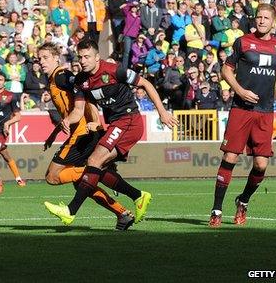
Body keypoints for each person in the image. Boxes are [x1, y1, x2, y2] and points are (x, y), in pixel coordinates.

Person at [44, 39, 177, 225]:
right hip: (115, 124)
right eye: (80, 57)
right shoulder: (82, 80)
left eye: (87, 56)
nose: (83, 61)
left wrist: (162, 112)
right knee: (98, 167)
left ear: (97, 57)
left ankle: (70, 210)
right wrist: (66, 121)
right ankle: (138, 196)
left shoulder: (114, 70)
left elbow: (145, 83)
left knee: (94, 161)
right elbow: (78, 111)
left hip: (129, 121)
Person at [37, 43, 134, 230]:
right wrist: (53, 134)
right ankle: (122, 214)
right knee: (82, 185)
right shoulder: (54, 80)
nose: (41, 62)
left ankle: (100, 174)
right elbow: (69, 111)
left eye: (45, 57)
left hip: (82, 134)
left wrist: (97, 122)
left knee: (52, 176)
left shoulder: (62, 76)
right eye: (39, 59)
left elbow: (86, 92)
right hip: (79, 132)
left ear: (57, 58)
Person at [209, 4, 276, 228]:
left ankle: (243, 201)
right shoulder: (243, 42)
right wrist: (240, 91)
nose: (261, 21)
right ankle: (216, 209)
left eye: (266, 18)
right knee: (230, 158)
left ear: (274, 22)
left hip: (264, 112)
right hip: (241, 110)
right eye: (258, 17)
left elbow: (273, 76)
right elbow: (226, 69)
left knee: (261, 165)